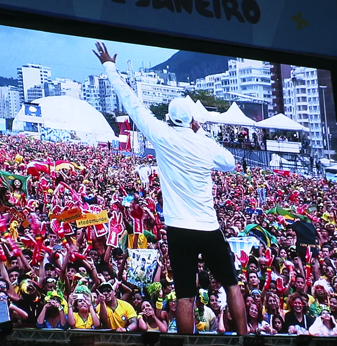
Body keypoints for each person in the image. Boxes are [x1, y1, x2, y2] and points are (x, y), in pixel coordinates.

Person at [94, 42, 245, 335]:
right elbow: (229, 163)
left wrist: (109, 66)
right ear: (192, 120)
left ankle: (187, 343)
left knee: (185, 293)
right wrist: (204, 135)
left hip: (179, 228)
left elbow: (132, 104)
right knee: (232, 285)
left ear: (169, 118)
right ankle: (243, 339)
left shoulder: (161, 134)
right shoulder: (202, 142)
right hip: (208, 225)